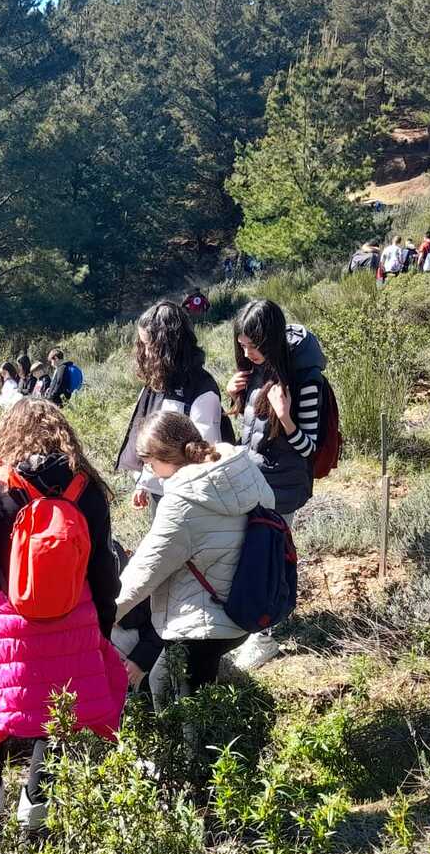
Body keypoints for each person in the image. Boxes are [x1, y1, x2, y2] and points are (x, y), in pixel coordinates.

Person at [0, 399, 128, 835]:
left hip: (7, 622)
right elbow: (104, 569)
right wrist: (98, 625)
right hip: (75, 620)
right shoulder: (87, 490)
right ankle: (36, 816)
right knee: (57, 716)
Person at [114, 411, 277, 706]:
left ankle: (191, 752)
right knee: (173, 683)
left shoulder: (182, 503)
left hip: (206, 622)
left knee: (172, 694)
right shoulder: (241, 471)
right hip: (249, 604)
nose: (150, 473)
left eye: (150, 464)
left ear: (166, 457)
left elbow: (145, 570)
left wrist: (104, 617)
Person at [117, 301, 223, 512]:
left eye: (149, 346)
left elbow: (206, 454)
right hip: (162, 490)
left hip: (186, 499)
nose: (145, 353)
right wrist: (144, 483)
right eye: (143, 345)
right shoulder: (157, 383)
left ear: (167, 346)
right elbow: (152, 440)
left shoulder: (201, 389)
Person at [226, 299, 327, 516]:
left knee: (276, 549)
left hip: (282, 490)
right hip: (251, 480)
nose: (246, 354)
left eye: (253, 346)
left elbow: (309, 448)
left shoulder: (304, 380)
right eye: (242, 346)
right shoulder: (255, 369)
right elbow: (254, 428)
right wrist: (235, 397)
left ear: (270, 341)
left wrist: (285, 418)